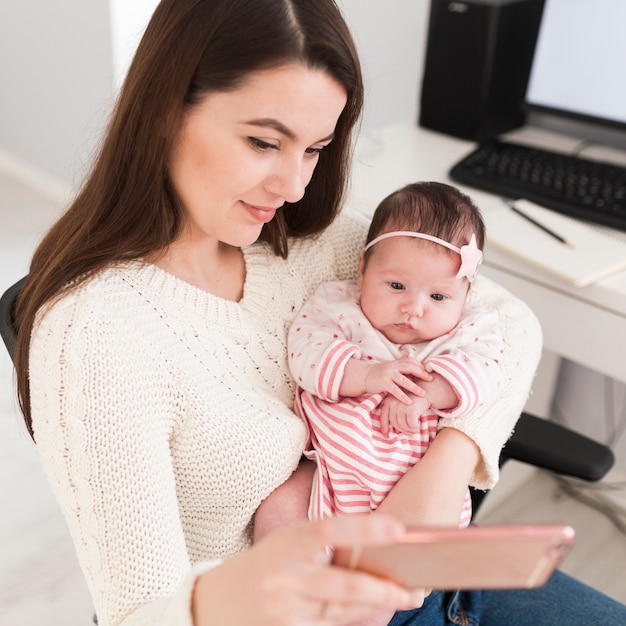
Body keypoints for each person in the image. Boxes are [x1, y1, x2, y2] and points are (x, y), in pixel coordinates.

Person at [9, 1, 626, 625]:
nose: (295, 186)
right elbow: (138, 614)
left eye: (315, 149)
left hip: (431, 577)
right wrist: (250, 594)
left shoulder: (307, 241)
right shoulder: (97, 333)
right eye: (264, 142)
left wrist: (445, 465)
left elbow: (510, 321)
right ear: (165, 111)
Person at [287, 181, 505, 525]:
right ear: (362, 269)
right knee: (283, 506)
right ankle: (283, 578)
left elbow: (488, 373)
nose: (413, 308)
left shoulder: (470, 328)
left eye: (438, 297)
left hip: (415, 483)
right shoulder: (339, 306)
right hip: (328, 472)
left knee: (414, 553)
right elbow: (306, 354)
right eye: (397, 286)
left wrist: (424, 395)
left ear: (466, 292)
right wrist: (368, 375)